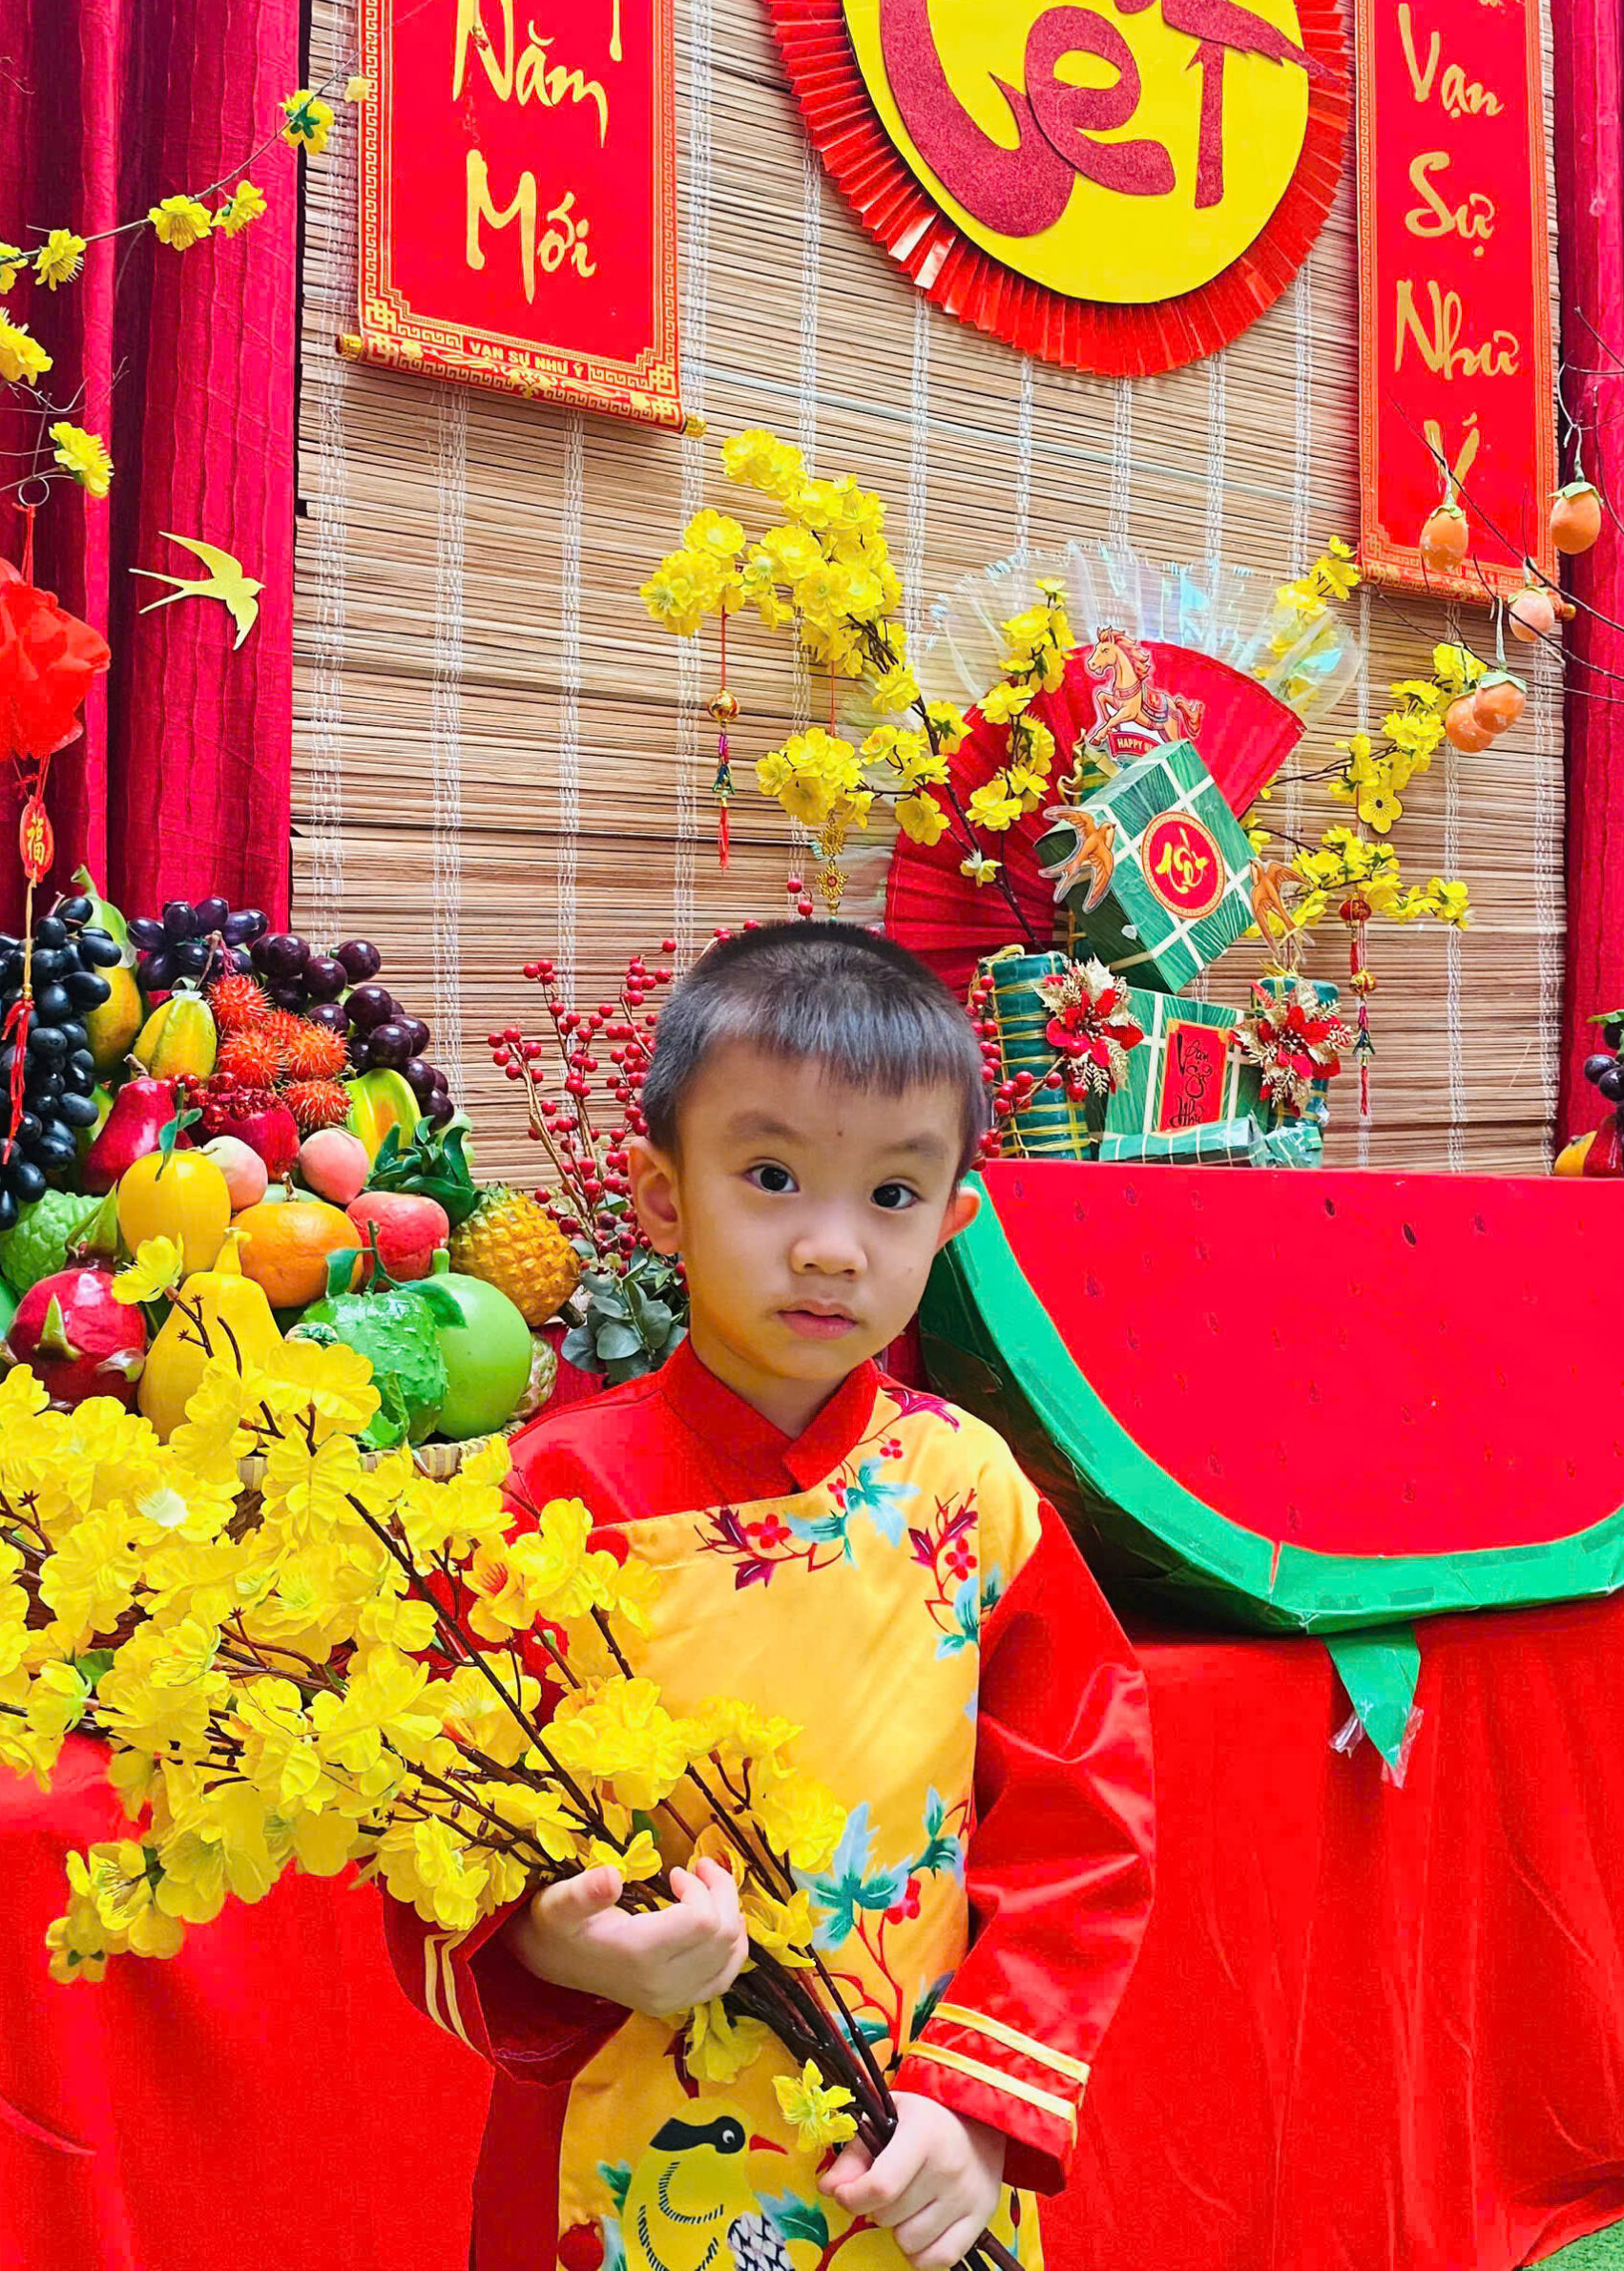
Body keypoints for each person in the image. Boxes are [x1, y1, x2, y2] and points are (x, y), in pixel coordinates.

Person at [385, 923, 1156, 2271]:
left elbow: (1087, 1814)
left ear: (955, 1219)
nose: (831, 1248)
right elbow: (435, 1824)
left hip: (908, 2152)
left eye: (893, 1195)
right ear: (661, 1195)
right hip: (621, 2148)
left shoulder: (973, 1489)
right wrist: (566, 1950)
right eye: (773, 1176)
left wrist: (978, 2107)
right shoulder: (538, 1502)